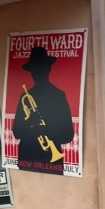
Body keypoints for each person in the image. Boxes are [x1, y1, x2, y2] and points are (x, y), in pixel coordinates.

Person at [12, 46, 74, 175]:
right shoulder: (25, 97)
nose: (37, 73)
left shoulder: (58, 96)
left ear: (48, 69)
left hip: (50, 161)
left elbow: (68, 135)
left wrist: (44, 129)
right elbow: (16, 132)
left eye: (40, 69)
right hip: (28, 158)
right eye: (35, 70)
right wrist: (31, 123)